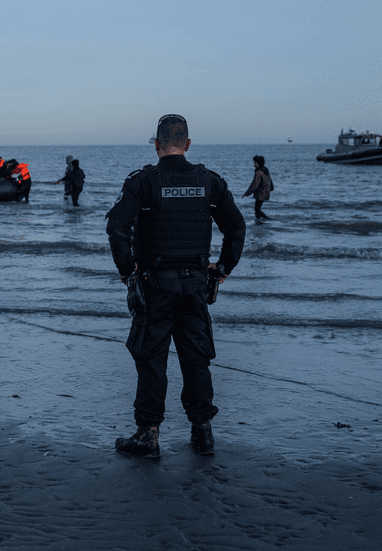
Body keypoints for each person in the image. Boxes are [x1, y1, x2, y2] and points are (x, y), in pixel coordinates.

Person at [105, 114, 246, 457]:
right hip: (195, 284)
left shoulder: (143, 181)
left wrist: (127, 271)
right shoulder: (209, 182)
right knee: (196, 359)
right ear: (188, 144)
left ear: (156, 144)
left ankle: (148, 435)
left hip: (154, 286)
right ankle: (203, 432)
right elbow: (236, 227)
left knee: (151, 358)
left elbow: (117, 228)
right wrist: (223, 268)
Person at [242, 155, 273, 220]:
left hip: (261, 193)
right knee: (257, 209)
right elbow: (270, 181)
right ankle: (259, 222)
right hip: (265, 192)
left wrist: (246, 193)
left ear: (257, 163)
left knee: (257, 209)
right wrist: (271, 188)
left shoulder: (258, 172)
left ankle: (267, 219)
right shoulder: (265, 170)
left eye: (255, 162)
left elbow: (255, 185)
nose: (254, 163)